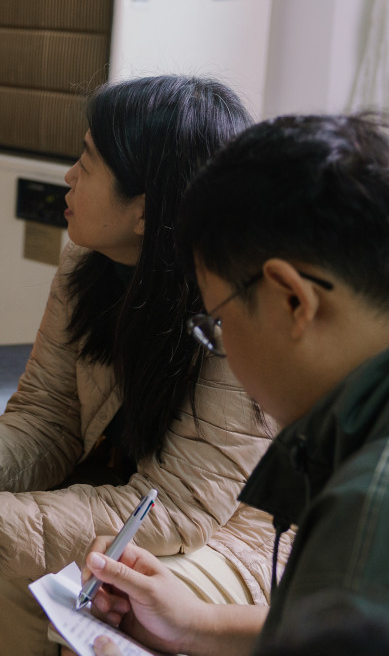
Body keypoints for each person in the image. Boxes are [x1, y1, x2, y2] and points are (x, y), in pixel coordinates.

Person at [0, 75, 287, 656]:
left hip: (236, 533)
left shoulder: (236, 304)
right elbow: (45, 417)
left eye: (88, 164)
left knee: (110, 604)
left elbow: (180, 505)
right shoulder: (86, 261)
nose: (69, 175)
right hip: (127, 500)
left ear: (146, 209)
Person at [77, 114, 389, 656]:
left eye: (217, 321)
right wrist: (196, 624)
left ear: (292, 300)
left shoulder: (369, 507)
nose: (223, 347)